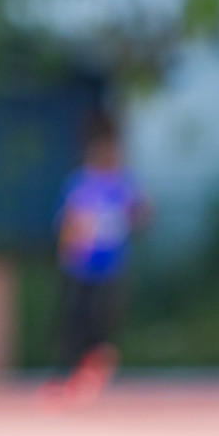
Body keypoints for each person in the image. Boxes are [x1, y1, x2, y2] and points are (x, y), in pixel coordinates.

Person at [50, 113, 145, 402]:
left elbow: (140, 215)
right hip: (81, 265)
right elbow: (67, 222)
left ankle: (97, 372)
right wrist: (71, 244)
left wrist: (127, 218)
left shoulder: (123, 183)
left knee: (104, 322)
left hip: (110, 266)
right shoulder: (81, 183)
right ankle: (70, 375)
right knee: (75, 320)